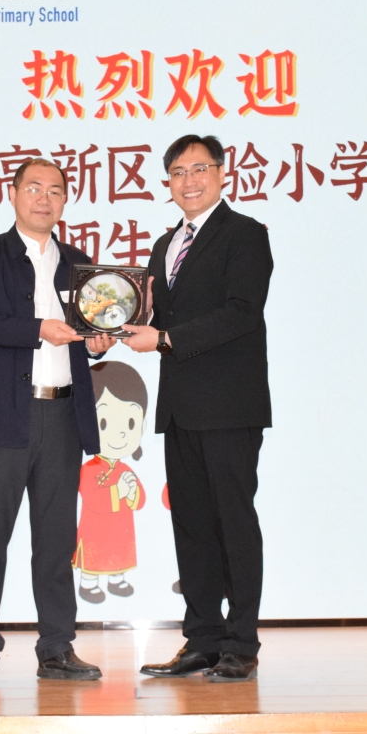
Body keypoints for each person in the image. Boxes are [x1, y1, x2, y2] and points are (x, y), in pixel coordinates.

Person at [0, 158, 116, 685]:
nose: (44, 199)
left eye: (55, 191)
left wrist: (98, 342)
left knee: (56, 540)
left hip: (63, 415)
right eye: (34, 188)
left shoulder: (80, 264)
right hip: (2, 416)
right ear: (14, 193)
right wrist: (37, 328)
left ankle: (57, 647)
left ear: (65, 200)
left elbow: (91, 330)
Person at [121, 135, 273, 683]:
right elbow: (149, 314)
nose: (189, 181)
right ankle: (203, 639)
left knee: (234, 523)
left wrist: (164, 339)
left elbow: (241, 313)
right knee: (192, 527)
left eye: (199, 169)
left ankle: (242, 643)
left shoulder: (246, 234)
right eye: (178, 173)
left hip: (230, 406)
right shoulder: (165, 244)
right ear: (168, 183)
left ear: (222, 173)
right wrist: (109, 327)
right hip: (180, 409)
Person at [74, 361, 149, 602]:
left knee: (118, 552)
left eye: (130, 423)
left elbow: (140, 501)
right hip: (95, 529)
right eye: (105, 422)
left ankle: (117, 580)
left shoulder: (126, 469)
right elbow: (93, 499)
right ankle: (88, 584)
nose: (121, 433)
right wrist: (118, 491)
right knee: (94, 557)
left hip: (120, 527)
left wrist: (133, 491)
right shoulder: (88, 469)